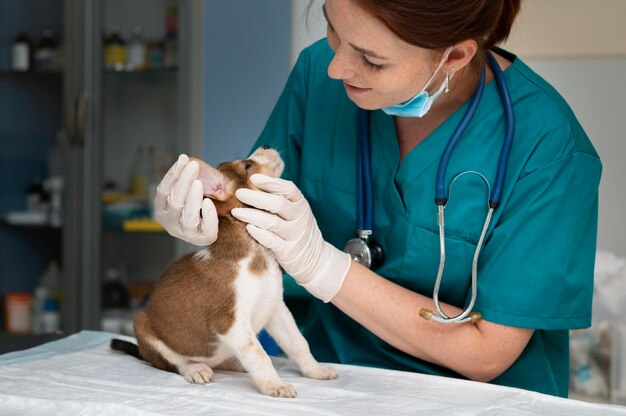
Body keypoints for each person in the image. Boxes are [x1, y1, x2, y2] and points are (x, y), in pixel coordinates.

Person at [154, 0, 602, 397]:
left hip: (477, 400)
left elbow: (487, 352)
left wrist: (324, 266)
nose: (337, 68)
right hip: (330, 382)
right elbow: (256, 205)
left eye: (371, 59)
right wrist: (206, 214)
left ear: (456, 56)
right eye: (332, 30)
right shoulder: (318, 75)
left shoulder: (548, 146)